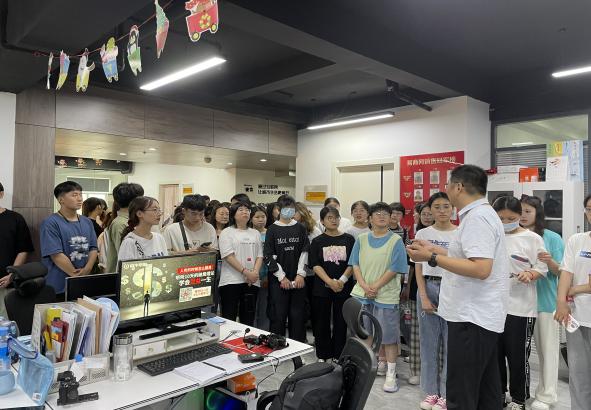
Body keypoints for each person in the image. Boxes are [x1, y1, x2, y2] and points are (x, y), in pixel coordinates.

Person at [407, 164, 510, 410]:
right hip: (478, 316)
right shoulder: (480, 214)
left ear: (459, 187)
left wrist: (431, 258)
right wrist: (435, 249)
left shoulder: (477, 218)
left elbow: (481, 268)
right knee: (485, 390)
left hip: (471, 317)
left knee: (461, 392)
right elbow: (468, 256)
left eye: (448, 184)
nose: (446, 189)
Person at [493, 196, 547, 410]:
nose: (506, 222)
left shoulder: (532, 239)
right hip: (493, 307)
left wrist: (530, 273)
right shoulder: (492, 235)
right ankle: (497, 393)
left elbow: (542, 267)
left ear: (520, 216)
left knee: (517, 357)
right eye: (501, 218)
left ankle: (518, 399)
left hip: (521, 308)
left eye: (511, 218)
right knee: (494, 355)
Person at [349, 202, 409, 393]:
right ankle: (370, 366)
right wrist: (364, 285)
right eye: (377, 213)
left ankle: (391, 373)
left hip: (386, 296)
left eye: (385, 213)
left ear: (391, 218)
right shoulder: (362, 239)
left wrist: (374, 286)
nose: (382, 216)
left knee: (389, 336)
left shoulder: (396, 241)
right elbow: (355, 264)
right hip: (362, 294)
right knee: (366, 334)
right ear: (370, 218)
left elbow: (396, 268)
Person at [520, 195, 564, 410]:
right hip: (518, 303)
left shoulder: (552, 238)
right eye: (520, 211)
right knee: (518, 353)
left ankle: (546, 396)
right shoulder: (514, 235)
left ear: (538, 213)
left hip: (545, 303)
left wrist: (549, 261)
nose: (523, 215)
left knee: (548, 352)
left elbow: (562, 272)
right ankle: (519, 393)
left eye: (528, 211)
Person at [415, 193, 457, 410]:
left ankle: (447, 394)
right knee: (429, 343)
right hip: (428, 287)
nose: (442, 211)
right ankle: (431, 391)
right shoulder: (422, 233)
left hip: (454, 289)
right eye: (437, 207)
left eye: (446, 206)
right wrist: (423, 296)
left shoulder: (460, 232)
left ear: (453, 209)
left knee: (452, 345)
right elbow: (418, 267)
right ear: (430, 210)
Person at [554, 194, 591, 410]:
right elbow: (566, 272)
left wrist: (576, 289)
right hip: (577, 317)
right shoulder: (577, 240)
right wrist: (561, 301)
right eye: (589, 209)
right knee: (578, 375)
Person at [309, 206, 355, 362]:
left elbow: (353, 262)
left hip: (343, 286)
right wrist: (329, 281)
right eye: (329, 218)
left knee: (341, 322)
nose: (334, 220)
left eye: (336, 217)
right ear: (322, 221)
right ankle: (323, 355)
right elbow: (315, 264)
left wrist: (341, 280)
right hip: (322, 287)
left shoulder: (349, 239)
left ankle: (338, 354)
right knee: (321, 321)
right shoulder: (317, 241)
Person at [264, 195, 310, 342]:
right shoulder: (272, 229)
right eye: (285, 208)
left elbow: (305, 252)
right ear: (278, 209)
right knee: (278, 316)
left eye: (291, 208)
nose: (289, 211)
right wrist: (281, 277)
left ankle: (298, 348)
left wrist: (301, 274)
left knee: (298, 317)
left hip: (298, 280)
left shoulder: (300, 228)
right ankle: (277, 347)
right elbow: (268, 256)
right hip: (278, 281)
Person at [40, 182, 98, 298]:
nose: (79, 198)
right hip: (60, 285)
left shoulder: (87, 222)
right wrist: (75, 275)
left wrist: (87, 269)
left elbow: (93, 248)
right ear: (61, 199)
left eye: (80, 194)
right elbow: (56, 255)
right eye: (74, 195)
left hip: (84, 282)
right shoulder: (50, 223)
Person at [402, 202, 432, 385]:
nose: (427, 217)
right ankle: (416, 369)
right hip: (416, 288)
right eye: (424, 214)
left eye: (430, 213)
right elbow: (412, 267)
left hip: (438, 288)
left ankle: (432, 370)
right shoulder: (417, 236)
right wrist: (407, 287)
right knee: (416, 331)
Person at [218, 202, 263, 325]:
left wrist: (254, 273)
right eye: (241, 210)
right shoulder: (227, 232)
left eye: (247, 210)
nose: (245, 212)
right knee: (229, 318)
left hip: (252, 281)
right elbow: (228, 256)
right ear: (233, 214)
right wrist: (246, 272)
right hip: (231, 281)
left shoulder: (255, 233)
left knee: (248, 319)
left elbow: (259, 255)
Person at [0, 182, 34, 317]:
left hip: (5, 282)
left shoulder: (15, 218)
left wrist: (12, 274)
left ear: (1, 194)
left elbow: (23, 249)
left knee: (5, 322)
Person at [105, 182, 144, 272]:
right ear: (134, 202)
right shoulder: (119, 223)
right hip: (122, 274)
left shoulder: (133, 220)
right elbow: (125, 255)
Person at [117, 196, 168, 262]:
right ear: (139, 213)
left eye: (159, 210)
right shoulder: (129, 242)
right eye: (155, 210)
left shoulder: (159, 238)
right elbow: (125, 268)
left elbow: (165, 263)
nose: (160, 214)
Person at [251, 205, 270, 330]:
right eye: (257, 217)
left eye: (263, 216)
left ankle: (264, 334)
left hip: (267, 277)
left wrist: (267, 276)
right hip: (250, 276)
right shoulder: (248, 233)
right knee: (251, 308)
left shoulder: (270, 233)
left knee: (265, 309)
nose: (260, 219)